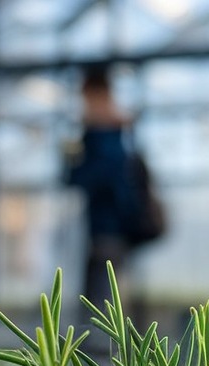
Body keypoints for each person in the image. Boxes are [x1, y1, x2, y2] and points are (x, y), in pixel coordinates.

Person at [62, 63, 138, 321]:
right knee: (106, 296)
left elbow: (97, 176)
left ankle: (103, 357)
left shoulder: (104, 132)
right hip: (107, 228)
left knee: (102, 301)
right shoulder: (111, 131)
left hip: (108, 228)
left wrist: (74, 162)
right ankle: (106, 353)